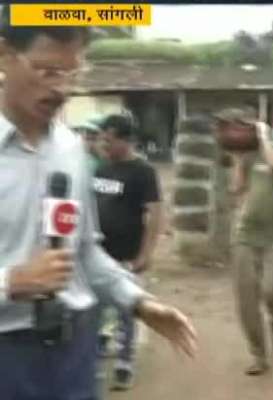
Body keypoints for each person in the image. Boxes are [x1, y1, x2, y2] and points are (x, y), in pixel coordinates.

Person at [0, 11, 197, 400]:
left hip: (75, 350)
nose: (62, 90)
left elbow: (85, 250)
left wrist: (137, 301)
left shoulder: (71, 149)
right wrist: (11, 282)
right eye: (47, 71)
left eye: (73, 75)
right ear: (4, 55)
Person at [215, 107, 273, 376]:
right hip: (246, 235)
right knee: (246, 300)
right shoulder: (253, 155)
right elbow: (237, 188)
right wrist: (237, 158)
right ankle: (258, 355)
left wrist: (264, 137)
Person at [92, 114, 165, 390]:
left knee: (126, 309)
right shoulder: (101, 168)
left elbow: (155, 214)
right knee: (95, 310)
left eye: (109, 140)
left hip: (127, 255)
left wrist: (146, 253)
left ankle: (124, 363)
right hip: (97, 254)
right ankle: (95, 363)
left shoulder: (142, 172)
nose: (103, 144)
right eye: (102, 139)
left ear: (127, 140)